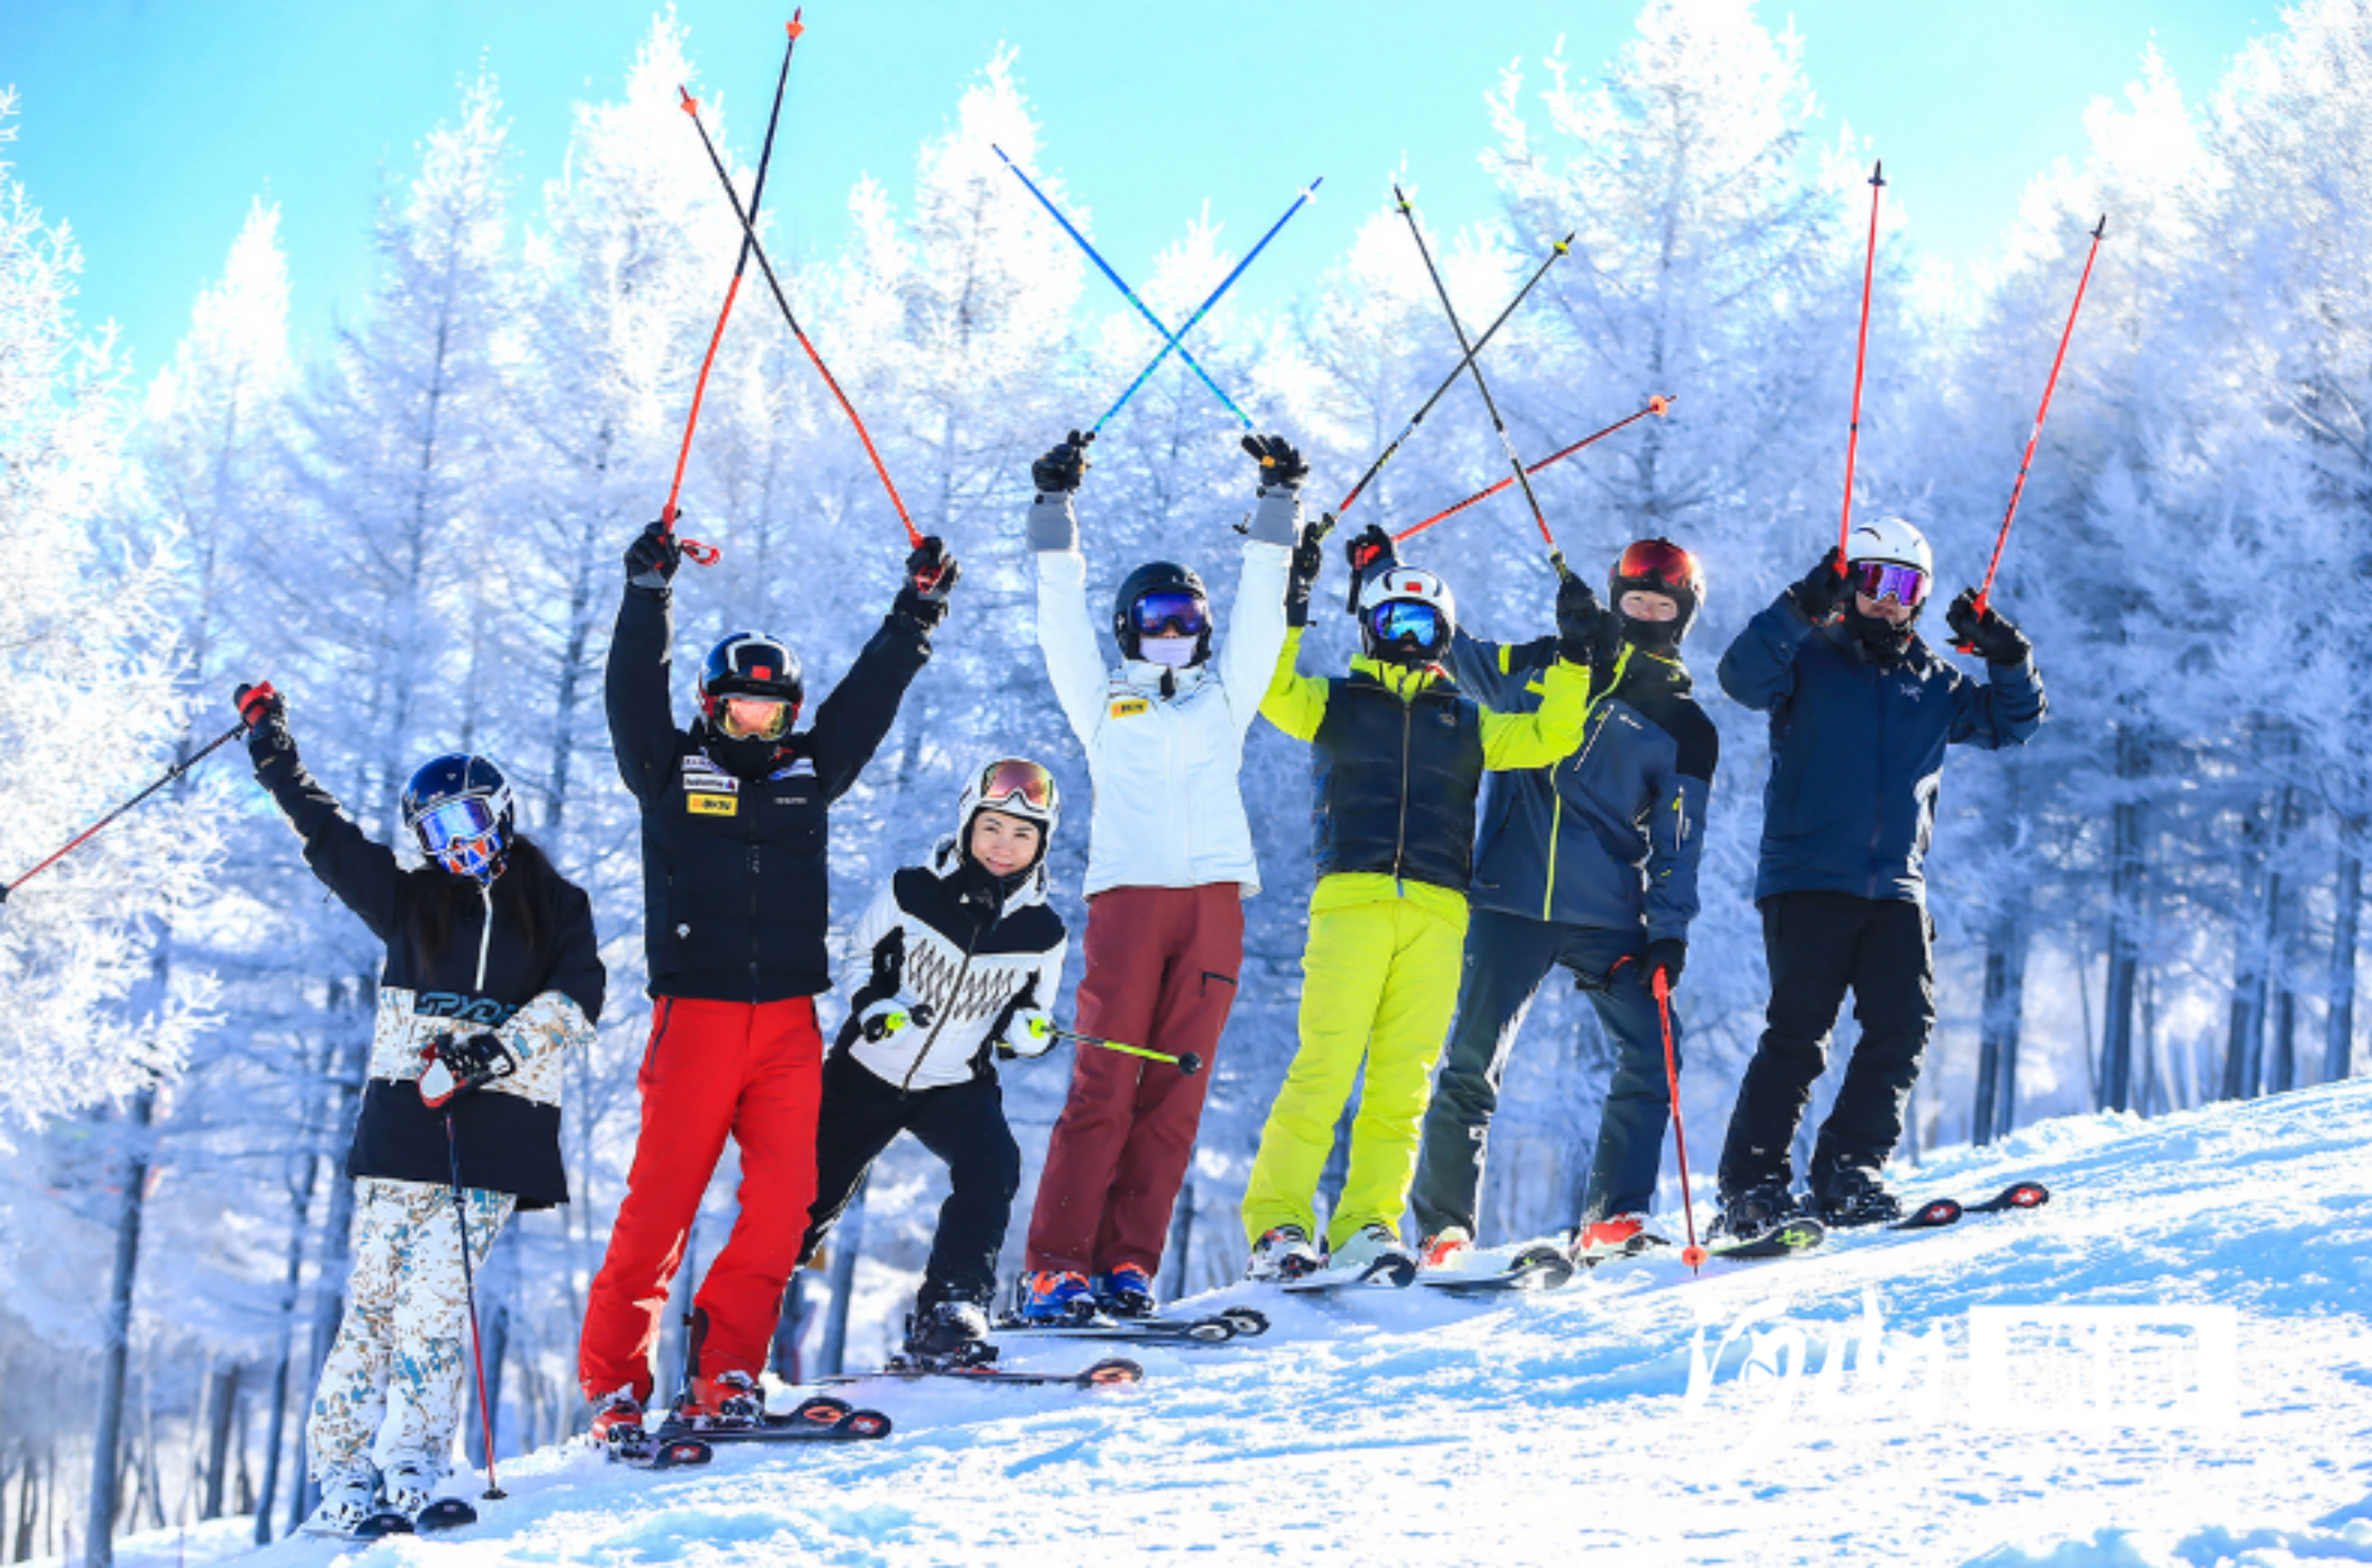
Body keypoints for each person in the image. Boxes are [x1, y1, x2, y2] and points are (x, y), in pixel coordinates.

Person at [577, 519, 957, 1440]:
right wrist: (648, 596)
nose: (759, 723)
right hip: (696, 1019)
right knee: (661, 1208)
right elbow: (633, 692)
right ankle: (615, 1383)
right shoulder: (666, 769)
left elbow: (867, 700)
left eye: (773, 711)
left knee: (786, 1206)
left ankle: (727, 1371)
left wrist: (915, 615)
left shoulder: (808, 774)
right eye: (743, 709)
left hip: (787, 1021)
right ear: (712, 707)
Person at [233, 684, 604, 1534]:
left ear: (501, 813)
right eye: (437, 832)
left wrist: (489, 1051)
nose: (458, 843)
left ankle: (414, 1464)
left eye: (469, 820)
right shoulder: (409, 902)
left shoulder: (557, 906)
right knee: (373, 1305)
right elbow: (328, 836)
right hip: (403, 1134)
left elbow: (578, 1001)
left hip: (494, 1137)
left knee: (436, 1303)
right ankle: (341, 1476)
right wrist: (274, 752)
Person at [1239, 527, 1598, 1283]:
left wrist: (1574, 656)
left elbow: (1551, 735)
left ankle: (1367, 1222)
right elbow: (1269, 689)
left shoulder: (1466, 720)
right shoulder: (1334, 702)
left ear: (1442, 635)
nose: (1408, 638)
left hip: (1437, 913)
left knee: (1403, 1083)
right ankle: (1279, 1222)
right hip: (1353, 902)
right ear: (1369, 628)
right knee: (1325, 1067)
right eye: (1393, 621)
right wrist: (1291, 608)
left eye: (1423, 624)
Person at [1017, 429, 1301, 1322]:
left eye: (1186, 619)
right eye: (1155, 619)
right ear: (1128, 629)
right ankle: (1056, 1265)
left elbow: (1264, 616)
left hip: (1214, 904)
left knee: (1177, 1090)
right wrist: (1054, 509)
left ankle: (1128, 1264)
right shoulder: (1104, 702)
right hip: (1130, 901)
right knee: (1104, 1086)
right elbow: (1057, 623)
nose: (1172, 633)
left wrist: (1277, 503)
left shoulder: (1226, 698)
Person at [1713, 516, 2045, 1236]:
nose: (1888, 599)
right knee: (1800, 1033)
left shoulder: (1934, 681)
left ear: (1921, 598)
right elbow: (1739, 677)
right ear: (1849, 583)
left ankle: (1849, 1169)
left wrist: (2008, 655)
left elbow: (2012, 722)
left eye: (1906, 586)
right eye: (1874, 580)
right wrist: (1800, 605)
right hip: (1807, 876)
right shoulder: (1807, 657)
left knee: (1901, 1025)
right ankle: (1752, 1184)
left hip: (1895, 886)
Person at [1408, 538, 1721, 1269]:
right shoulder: (1548, 661)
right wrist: (1392, 581)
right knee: (1472, 1061)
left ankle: (1615, 1215)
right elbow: (1455, 652)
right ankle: (1442, 1230)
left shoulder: (1686, 726)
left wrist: (1668, 932)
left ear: (1683, 616)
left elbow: (1678, 840)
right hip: (1509, 901)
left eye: (1661, 605)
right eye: (1634, 601)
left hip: (1606, 913)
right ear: (1612, 600)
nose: (1645, 614)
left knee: (1655, 1048)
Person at [799, 758, 1068, 1363]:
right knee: (806, 1196)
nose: (1004, 845)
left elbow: (1031, 1016)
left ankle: (952, 1308)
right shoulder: (911, 890)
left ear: (1042, 844)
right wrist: (874, 1005)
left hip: (954, 1082)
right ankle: (742, 1326)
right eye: (991, 827)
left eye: (1023, 834)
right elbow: (859, 955)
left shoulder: (1044, 932)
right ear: (967, 824)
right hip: (865, 1072)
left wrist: (1028, 1034)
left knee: (993, 1164)